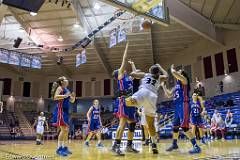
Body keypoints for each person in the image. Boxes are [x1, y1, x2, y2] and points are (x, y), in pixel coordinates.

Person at [125, 62, 168, 154]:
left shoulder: (145, 75)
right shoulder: (160, 78)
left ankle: (129, 114)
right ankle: (154, 144)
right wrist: (160, 66)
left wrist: (135, 72)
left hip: (143, 92)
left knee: (126, 102)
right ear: (157, 72)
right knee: (151, 125)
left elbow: (132, 74)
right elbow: (167, 75)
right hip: (153, 97)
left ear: (150, 71)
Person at [162, 64, 201, 154]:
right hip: (177, 106)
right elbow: (168, 94)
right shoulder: (176, 86)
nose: (178, 75)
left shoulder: (184, 81)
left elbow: (174, 73)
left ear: (182, 75)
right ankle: (174, 144)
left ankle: (196, 147)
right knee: (175, 127)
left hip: (184, 104)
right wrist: (163, 86)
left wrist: (172, 68)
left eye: (180, 73)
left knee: (184, 128)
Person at [111, 43, 139, 156]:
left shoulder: (128, 78)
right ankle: (116, 146)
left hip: (131, 102)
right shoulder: (121, 77)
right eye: (120, 69)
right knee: (122, 124)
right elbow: (123, 60)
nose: (122, 69)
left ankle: (129, 146)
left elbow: (137, 75)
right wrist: (126, 48)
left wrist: (132, 64)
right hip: (123, 102)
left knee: (132, 123)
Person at [52, 76, 76, 157]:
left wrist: (73, 97)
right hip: (60, 110)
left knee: (67, 130)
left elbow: (71, 101)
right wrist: (65, 96)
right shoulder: (60, 88)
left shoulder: (67, 90)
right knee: (64, 129)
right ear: (62, 82)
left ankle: (64, 147)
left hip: (66, 111)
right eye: (65, 79)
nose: (67, 80)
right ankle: (59, 149)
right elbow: (55, 97)